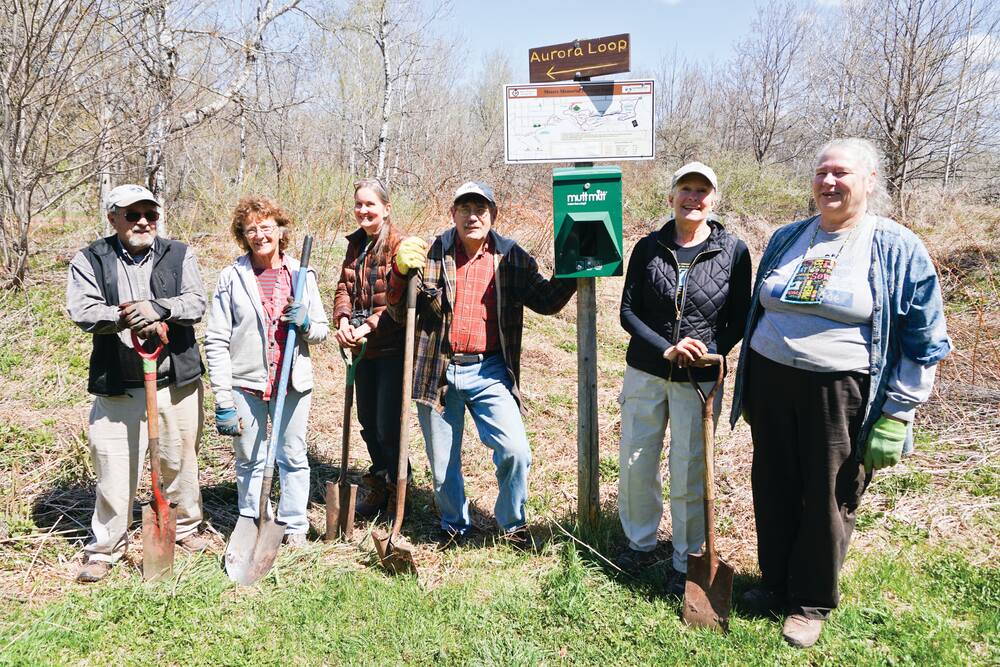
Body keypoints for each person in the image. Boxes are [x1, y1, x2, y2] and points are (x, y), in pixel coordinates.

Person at [730, 138, 952, 648]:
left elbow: (925, 339)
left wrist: (898, 413)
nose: (829, 182)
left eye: (842, 173)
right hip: (771, 380)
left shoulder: (896, 247)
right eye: (822, 172)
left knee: (830, 493)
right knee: (773, 481)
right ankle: (775, 582)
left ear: (870, 181)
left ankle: (809, 602)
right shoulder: (789, 237)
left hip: (841, 391)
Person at [387, 181, 576, 547]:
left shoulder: (511, 256)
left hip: (490, 371)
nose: (472, 216)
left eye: (481, 209)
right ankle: (454, 525)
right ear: (452, 214)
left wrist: (575, 266)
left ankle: (512, 525)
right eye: (464, 209)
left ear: (493, 215)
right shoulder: (430, 254)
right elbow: (398, 313)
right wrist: (398, 272)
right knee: (443, 468)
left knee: (515, 450)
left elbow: (547, 300)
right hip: (438, 372)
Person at [615, 162, 752, 593]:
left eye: (702, 191)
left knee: (690, 466)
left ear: (714, 200)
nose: (693, 198)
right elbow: (628, 312)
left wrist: (709, 354)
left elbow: (740, 317)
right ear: (671, 196)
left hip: (700, 379)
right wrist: (666, 348)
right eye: (686, 189)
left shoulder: (734, 251)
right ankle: (639, 544)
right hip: (647, 370)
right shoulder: (647, 247)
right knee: (637, 462)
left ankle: (684, 558)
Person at [67, 184, 208, 582]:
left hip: (176, 380)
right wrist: (126, 316)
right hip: (119, 384)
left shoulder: (179, 253)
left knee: (181, 461)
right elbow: (82, 310)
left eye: (150, 214)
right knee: (114, 469)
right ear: (113, 219)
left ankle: (184, 527)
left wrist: (160, 308)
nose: (144, 221)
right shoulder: (91, 258)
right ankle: (106, 548)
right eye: (133, 215)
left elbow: (196, 302)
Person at [204, 195, 329, 547]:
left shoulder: (301, 276)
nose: (260, 235)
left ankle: (294, 525)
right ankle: (253, 518)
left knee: (292, 455)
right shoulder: (232, 277)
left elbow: (321, 331)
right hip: (246, 383)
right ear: (243, 235)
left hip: (291, 382)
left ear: (280, 230)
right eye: (251, 229)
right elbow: (215, 339)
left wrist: (305, 323)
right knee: (250, 457)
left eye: (267, 227)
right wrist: (223, 398)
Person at [332, 178, 407, 518]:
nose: (363, 210)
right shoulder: (356, 245)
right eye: (359, 204)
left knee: (387, 425)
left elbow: (398, 300)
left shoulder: (399, 247)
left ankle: (398, 485)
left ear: (386, 209)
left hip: (390, 347)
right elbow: (344, 287)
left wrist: (366, 327)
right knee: (366, 420)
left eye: (370, 205)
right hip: (363, 350)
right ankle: (379, 477)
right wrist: (344, 320)